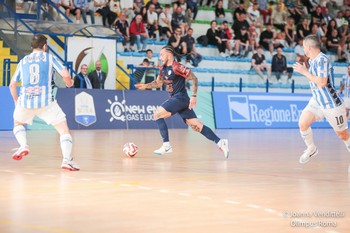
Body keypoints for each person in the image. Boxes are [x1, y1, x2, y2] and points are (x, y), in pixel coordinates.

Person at [135, 46, 229, 158]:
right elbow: (158, 83)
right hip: (177, 99)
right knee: (196, 125)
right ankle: (220, 142)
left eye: (161, 54)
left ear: (169, 54)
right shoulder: (162, 68)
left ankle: (166, 145)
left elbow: (194, 78)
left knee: (157, 115)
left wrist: (194, 96)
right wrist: (145, 86)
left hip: (181, 97)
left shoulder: (177, 67)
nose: (160, 57)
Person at [8, 34, 79, 171]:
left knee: (17, 123)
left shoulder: (23, 61)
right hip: (46, 102)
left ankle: (23, 145)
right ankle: (66, 160)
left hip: (25, 102)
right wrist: (69, 84)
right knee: (64, 131)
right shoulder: (50, 58)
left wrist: (17, 102)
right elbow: (65, 75)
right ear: (45, 47)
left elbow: (12, 85)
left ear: (31, 47)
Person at [293, 35, 350, 167]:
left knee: (342, 135)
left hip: (332, 105)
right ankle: (311, 148)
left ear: (308, 48)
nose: (303, 50)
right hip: (317, 101)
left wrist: (305, 72)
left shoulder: (322, 60)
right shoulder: (312, 61)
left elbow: (322, 82)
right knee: (303, 124)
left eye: (303, 47)